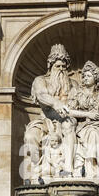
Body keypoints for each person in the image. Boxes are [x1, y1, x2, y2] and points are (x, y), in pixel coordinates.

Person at [23, 44, 78, 181]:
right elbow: (41, 95)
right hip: (46, 121)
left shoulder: (74, 84)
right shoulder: (41, 80)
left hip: (68, 120)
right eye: (57, 66)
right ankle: (36, 171)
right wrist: (56, 103)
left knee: (69, 126)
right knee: (30, 136)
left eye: (63, 67)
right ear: (50, 65)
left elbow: (80, 103)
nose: (60, 70)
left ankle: (68, 169)